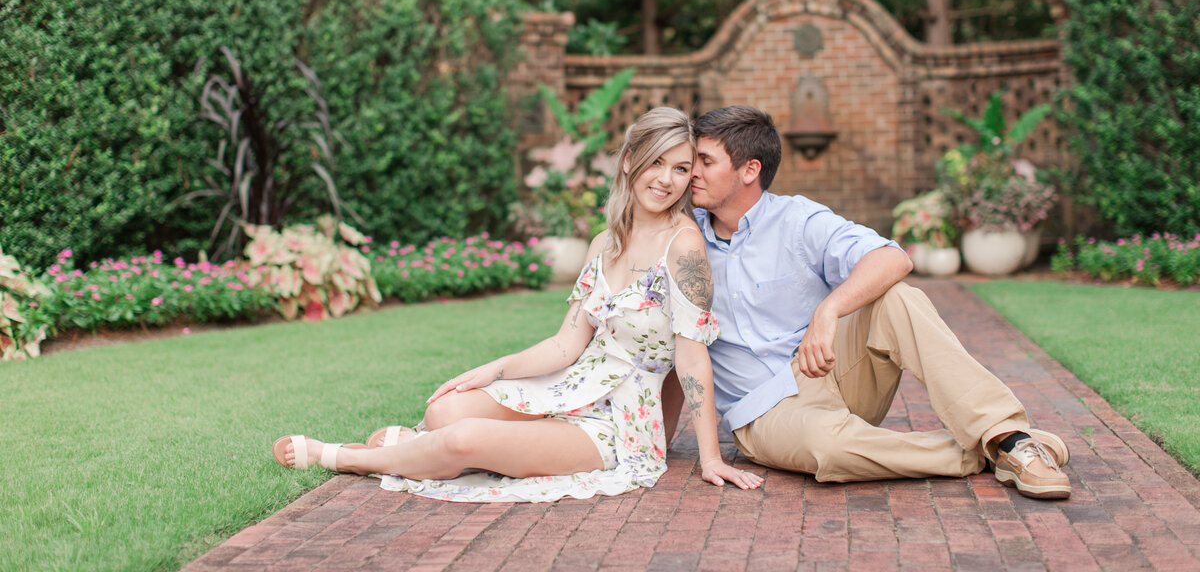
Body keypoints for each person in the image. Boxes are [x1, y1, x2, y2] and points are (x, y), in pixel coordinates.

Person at [272, 107, 763, 502]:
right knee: (446, 411)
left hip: (620, 418)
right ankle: (433, 447)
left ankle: (348, 457)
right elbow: (566, 344)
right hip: (574, 383)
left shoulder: (683, 246)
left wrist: (708, 458)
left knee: (463, 439)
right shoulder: (603, 244)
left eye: (681, 169)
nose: (667, 180)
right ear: (630, 160)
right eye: (657, 162)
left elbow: (693, 355)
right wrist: (495, 370)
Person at [677, 104, 1071, 500]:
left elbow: (892, 257)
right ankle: (989, 452)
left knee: (897, 299)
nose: (693, 172)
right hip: (764, 414)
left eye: (706, 161)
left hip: (825, 371)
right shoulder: (681, 238)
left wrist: (828, 310)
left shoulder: (797, 220)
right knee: (828, 447)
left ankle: (1010, 437)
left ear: (750, 170)